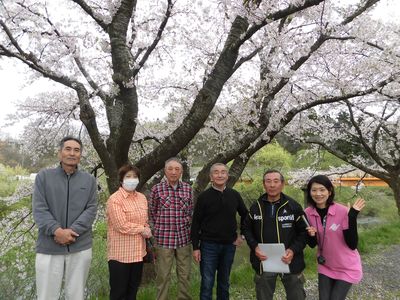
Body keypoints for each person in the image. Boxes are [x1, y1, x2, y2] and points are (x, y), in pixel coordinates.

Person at [32, 136, 97, 300]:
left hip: (80, 246)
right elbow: (39, 209)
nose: (72, 153)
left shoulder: (89, 180)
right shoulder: (44, 177)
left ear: (80, 155)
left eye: (76, 150)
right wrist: (57, 231)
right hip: (49, 246)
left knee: (76, 295)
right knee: (46, 295)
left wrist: (72, 231)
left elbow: (91, 209)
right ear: (60, 153)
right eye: (68, 149)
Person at [243, 169, 307, 300]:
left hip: (290, 261)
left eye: (276, 181)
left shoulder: (293, 206)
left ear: (282, 184)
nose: (272, 185)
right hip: (264, 261)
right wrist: (255, 247)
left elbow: (304, 232)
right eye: (268, 181)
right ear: (263, 184)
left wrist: (293, 250)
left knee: (297, 296)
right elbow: (246, 229)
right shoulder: (256, 207)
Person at [191, 163, 248, 300]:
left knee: (224, 282)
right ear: (211, 177)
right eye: (216, 172)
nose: (220, 175)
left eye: (223, 172)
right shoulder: (204, 197)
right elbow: (196, 223)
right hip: (208, 246)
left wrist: (243, 235)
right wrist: (195, 247)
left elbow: (246, 215)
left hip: (229, 245)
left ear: (227, 176)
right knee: (207, 282)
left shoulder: (234, 195)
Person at [304, 175, 365, 300]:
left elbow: (352, 244)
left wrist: (352, 217)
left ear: (329, 191)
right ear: (309, 193)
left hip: (346, 266)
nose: (318, 194)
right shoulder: (308, 213)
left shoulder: (343, 211)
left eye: (322, 189)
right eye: (314, 190)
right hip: (326, 265)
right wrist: (311, 235)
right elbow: (312, 244)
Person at [149, 157, 194, 300]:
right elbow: (152, 213)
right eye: (170, 169)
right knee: (163, 276)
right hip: (163, 240)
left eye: (177, 169)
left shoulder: (187, 189)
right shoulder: (157, 189)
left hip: (183, 239)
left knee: (185, 274)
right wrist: (156, 231)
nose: (173, 172)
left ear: (181, 171)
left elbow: (191, 211)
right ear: (165, 171)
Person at [106, 164, 152, 300]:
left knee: (132, 291)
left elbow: (145, 220)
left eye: (135, 177)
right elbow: (121, 225)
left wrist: (146, 227)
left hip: (138, 253)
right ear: (121, 180)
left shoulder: (142, 198)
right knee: (119, 293)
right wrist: (142, 229)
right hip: (120, 255)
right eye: (128, 176)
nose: (132, 179)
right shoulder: (115, 200)